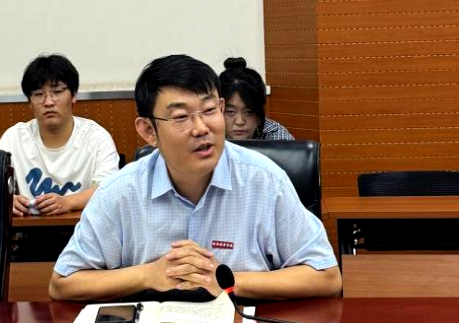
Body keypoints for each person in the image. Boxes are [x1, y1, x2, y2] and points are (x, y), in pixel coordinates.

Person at [49, 54, 341, 303]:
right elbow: (63, 283)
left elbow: (326, 276)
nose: (201, 128)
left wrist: (224, 280)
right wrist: (148, 275)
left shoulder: (265, 181)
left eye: (210, 110)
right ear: (148, 131)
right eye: (181, 117)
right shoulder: (120, 192)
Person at [0, 54, 119, 217]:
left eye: (57, 92)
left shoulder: (97, 138)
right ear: (29, 102)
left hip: (84, 230)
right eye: (38, 94)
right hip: (28, 231)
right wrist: (7, 200)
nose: (48, 102)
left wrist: (68, 202)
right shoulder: (14, 138)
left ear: (73, 95)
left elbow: (109, 190)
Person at [219, 57, 294, 141]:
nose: (240, 122)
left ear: (259, 113)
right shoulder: (210, 134)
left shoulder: (277, 138)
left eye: (249, 112)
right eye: (230, 112)